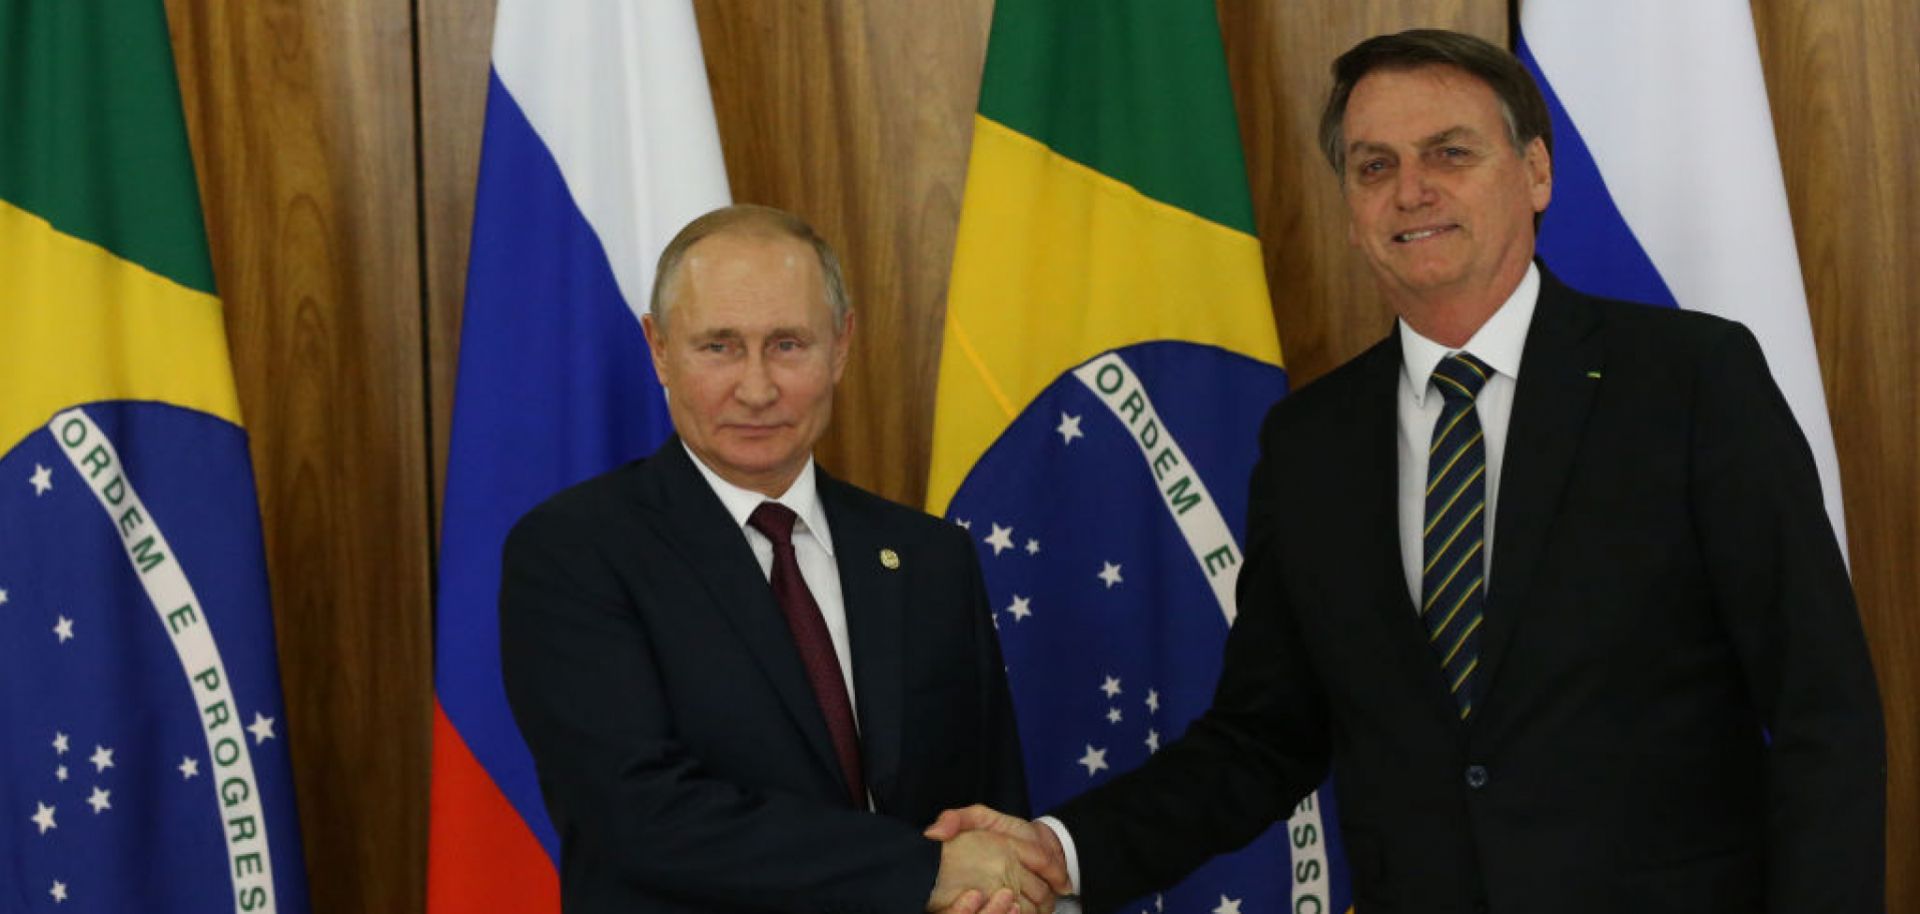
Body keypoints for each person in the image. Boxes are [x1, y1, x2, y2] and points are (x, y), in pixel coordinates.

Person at [927, 29, 1885, 913]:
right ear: (1349, 208)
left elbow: (1820, 708)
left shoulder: (1690, 382)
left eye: (1450, 153)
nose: (1410, 190)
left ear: (1537, 172)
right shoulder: (1310, 442)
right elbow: (1264, 736)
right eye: (1373, 166)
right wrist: (1061, 848)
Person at [501, 204, 1051, 914]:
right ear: (659, 348)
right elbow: (641, 817)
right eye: (719, 347)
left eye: (788, 344)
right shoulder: (575, 552)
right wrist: (923, 871)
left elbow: (987, 804)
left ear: (842, 346)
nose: (757, 388)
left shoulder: (930, 557)